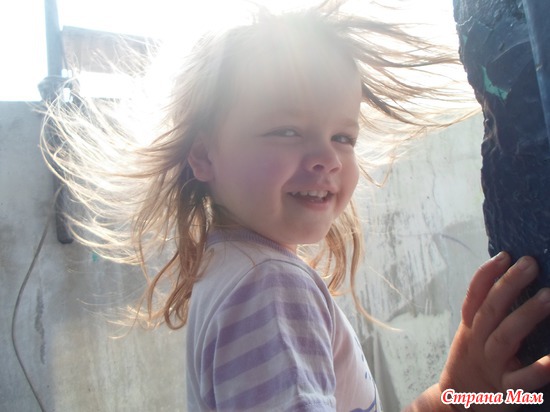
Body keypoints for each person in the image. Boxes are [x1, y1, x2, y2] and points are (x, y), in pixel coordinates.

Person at [42, 1, 550, 410]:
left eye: (343, 136)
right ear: (203, 154)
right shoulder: (269, 286)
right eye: (287, 130)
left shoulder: (234, 273)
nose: (327, 157)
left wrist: (456, 395)